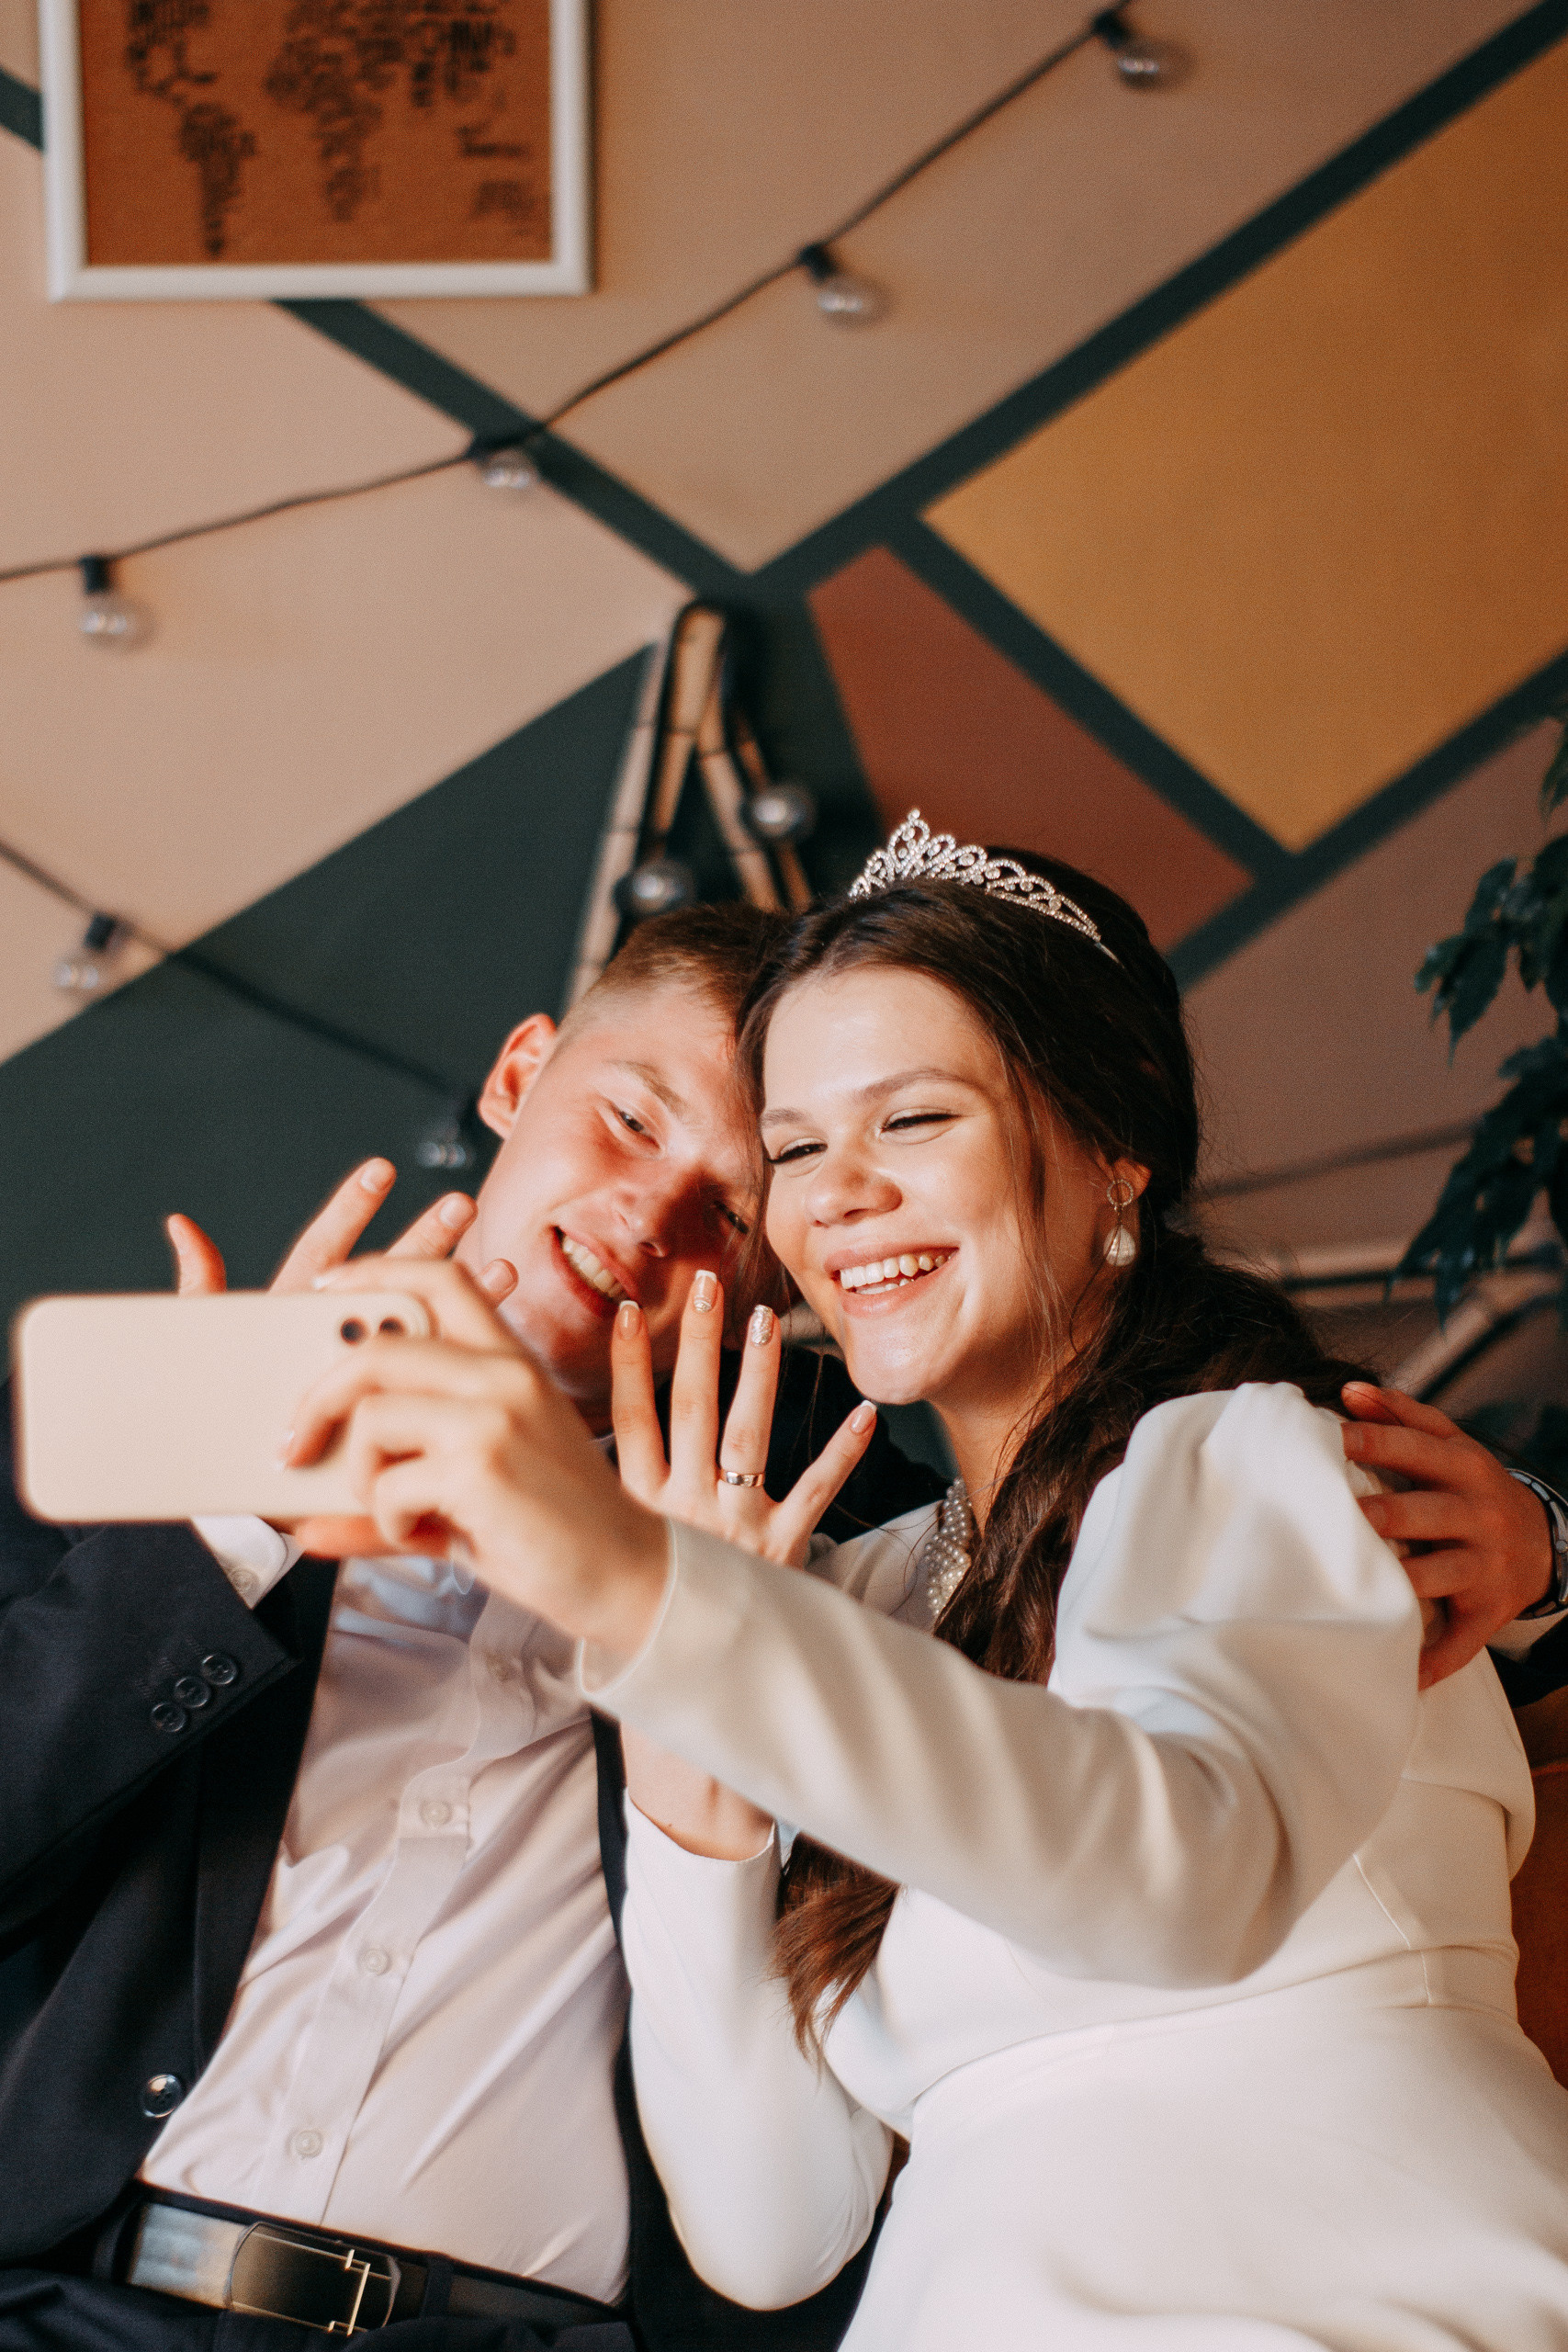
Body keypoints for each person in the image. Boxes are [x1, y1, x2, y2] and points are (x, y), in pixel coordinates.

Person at [286, 823, 1568, 2348]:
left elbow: (1186, 1883)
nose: (838, 1194)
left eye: (913, 1120)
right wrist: (689, 1776)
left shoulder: (1269, 1457)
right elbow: (773, 2231)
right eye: (795, 1150)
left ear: (1114, 1143)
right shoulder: (846, 1594)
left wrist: (645, 1596)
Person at [0, 904, 942, 2352]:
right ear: (518, 1074)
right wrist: (230, 1528)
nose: (652, 1218)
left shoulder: (840, 1556)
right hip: (77, 2305)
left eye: (734, 1210)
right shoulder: (138, 1428)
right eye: (631, 1120)